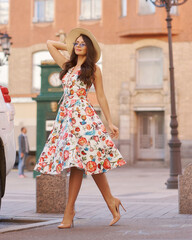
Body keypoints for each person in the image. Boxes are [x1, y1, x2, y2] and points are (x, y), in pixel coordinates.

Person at [34, 28, 126, 229]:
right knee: (84, 161)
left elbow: (101, 96)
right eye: (76, 43)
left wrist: (109, 122)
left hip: (83, 117)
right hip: (66, 119)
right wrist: (70, 46)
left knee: (85, 160)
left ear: (89, 48)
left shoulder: (93, 70)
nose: (78, 45)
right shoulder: (67, 66)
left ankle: (71, 210)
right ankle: (110, 201)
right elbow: (50, 43)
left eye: (82, 43)